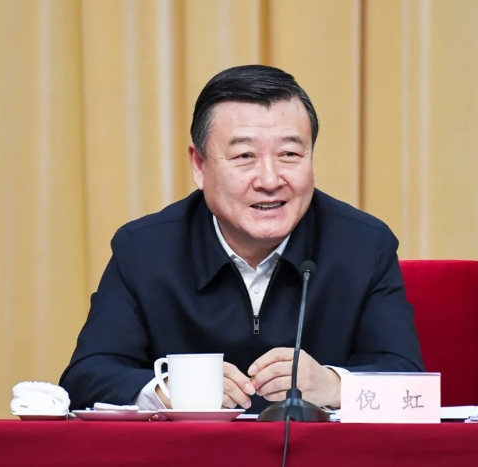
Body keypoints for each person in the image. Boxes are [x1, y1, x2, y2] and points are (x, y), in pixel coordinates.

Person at [59, 64, 424, 414]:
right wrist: (166, 390)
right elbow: (87, 377)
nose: (270, 180)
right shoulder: (144, 249)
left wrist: (333, 386)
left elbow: (410, 383)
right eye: (245, 156)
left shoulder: (363, 245)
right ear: (200, 165)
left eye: (289, 154)